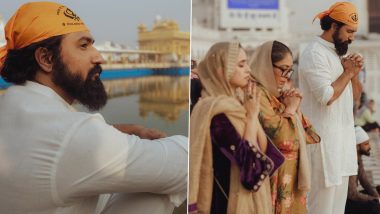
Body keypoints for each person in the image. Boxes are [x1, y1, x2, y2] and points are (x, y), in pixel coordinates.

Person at [0, 2, 187, 214]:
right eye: (83, 45)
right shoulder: (70, 134)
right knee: (160, 184)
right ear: (46, 59)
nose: (99, 57)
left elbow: (58, 145)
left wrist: (125, 131)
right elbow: (183, 163)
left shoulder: (12, 104)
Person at [189, 42, 284, 214]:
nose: (248, 69)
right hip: (226, 202)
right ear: (221, 70)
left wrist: (250, 116)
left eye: (246, 63)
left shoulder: (238, 106)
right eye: (241, 65)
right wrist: (252, 117)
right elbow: (250, 167)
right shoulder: (216, 112)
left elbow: (264, 151)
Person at [298, 2, 364, 214]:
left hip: (342, 150)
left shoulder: (338, 54)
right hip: (323, 148)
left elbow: (354, 99)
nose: (352, 37)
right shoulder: (314, 53)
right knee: (321, 210)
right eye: (349, 31)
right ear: (334, 26)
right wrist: (346, 73)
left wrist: (353, 74)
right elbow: (326, 96)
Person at [249, 40, 320, 214]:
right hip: (273, 176)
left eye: (290, 70)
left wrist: (293, 107)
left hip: (290, 178)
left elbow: (312, 136)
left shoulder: (275, 95)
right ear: (266, 65)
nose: (287, 76)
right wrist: (290, 109)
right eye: (283, 69)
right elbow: (283, 139)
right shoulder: (255, 93)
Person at [345, 126, 380, 214]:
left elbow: (364, 180)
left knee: (378, 190)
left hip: (353, 197)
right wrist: (374, 199)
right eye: (366, 144)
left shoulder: (358, 157)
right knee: (375, 206)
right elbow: (352, 194)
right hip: (346, 203)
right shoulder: (350, 161)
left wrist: (375, 195)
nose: (369, 147)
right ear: (357, 146)